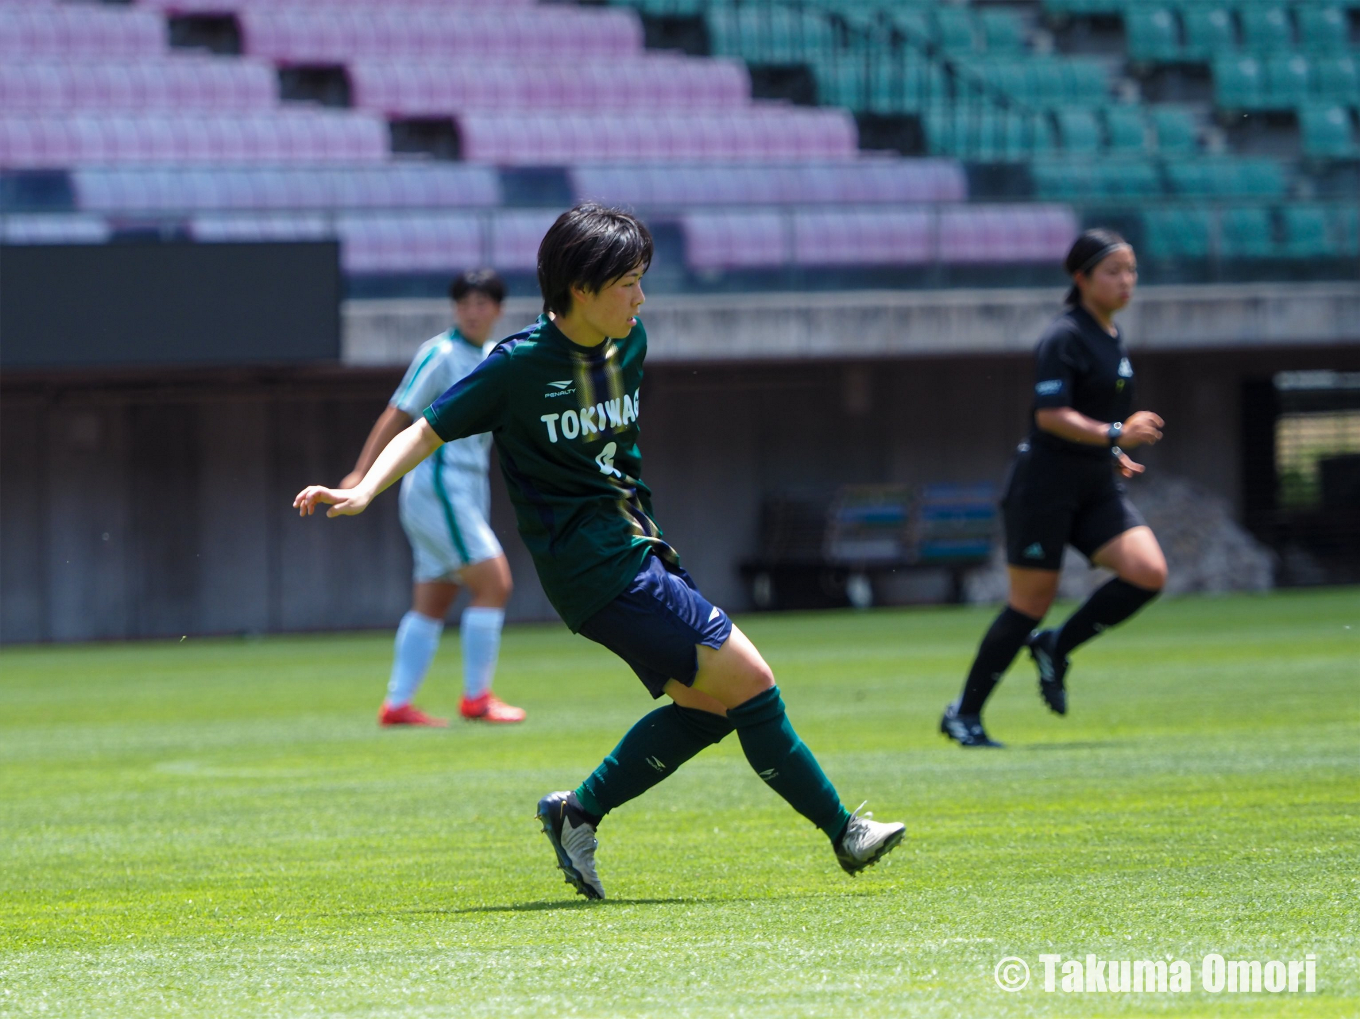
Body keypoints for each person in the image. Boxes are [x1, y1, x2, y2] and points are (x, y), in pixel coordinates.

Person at [296, 204, 905, 897]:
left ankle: (576, 812)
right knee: (754, 683)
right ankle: (843, 831)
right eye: (628, 282)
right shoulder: (518, 367)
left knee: (708, 709)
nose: (640, 298)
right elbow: (426, 429)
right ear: (580, 287)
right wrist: (364, 488)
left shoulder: (630, 342)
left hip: (641, 549)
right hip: (596, 565)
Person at [941, 229, 1168, 748]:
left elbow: (1087, 415)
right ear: (1080, 278)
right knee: (1028, 604)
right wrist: (1115, 433)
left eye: (1131, 270)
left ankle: (1057, 647)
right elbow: (1051, 416)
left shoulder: (1110, 336)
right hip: (1042, 488)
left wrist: (1112, 452)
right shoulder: (1064, 336)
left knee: (1148, 572)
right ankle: (964, 714)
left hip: (1094, 486)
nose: (1125, 281)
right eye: (1113, 271)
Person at [341, 269, 524, 727]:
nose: (473, 311)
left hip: (464, 487)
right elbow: (399, 412)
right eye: (465, 303)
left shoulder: (491, 356)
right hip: (438, 486)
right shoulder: (441, 354)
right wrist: (362, 473)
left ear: (498, 310)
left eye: (483, 303)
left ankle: (397, 704)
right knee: (494, 583)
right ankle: (476, 699)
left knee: (434, 599)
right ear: (455, 308)